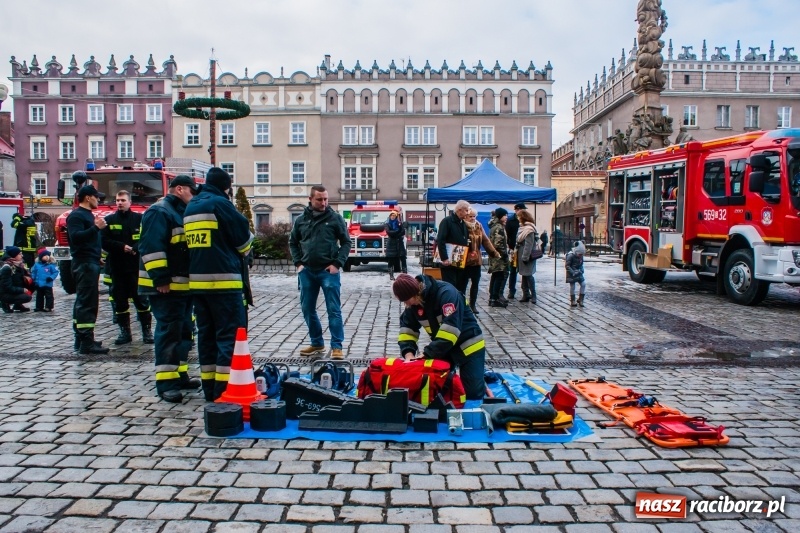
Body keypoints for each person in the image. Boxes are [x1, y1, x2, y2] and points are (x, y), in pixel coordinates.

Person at [185, 167, 254, 401]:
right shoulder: (221, 204)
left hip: (198, 285)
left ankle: (209, 387)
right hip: (224, 284)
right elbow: (243, 241)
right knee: (228, 337)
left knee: (206, 337)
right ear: (227, 187)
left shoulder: (192, 205)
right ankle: (224, 390)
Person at [139, 175, 201, 403]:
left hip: (181, 285)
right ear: (180, 189)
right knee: (168, 332)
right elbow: (151, 247)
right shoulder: (160, 212)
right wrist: (161, 278)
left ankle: (179, 374)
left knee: (184, 331)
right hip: (164, 286)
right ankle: (166, 383)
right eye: (192, 191)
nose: (194, 196)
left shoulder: (178, 212)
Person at [392, 273, 486, 401]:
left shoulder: (447, 294)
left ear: (416, 292)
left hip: (469, 346)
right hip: (444, 349)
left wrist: (427, 354)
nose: (407, 305)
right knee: (438, 392)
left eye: (407, 300)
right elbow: (407, 330)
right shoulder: (412, 303)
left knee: (472, 394)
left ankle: (479, 379)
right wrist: (409, 354)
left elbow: (450, 332)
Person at [289, 185, 351, 359]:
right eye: (319, 199)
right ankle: (317, 343)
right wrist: (298, 264)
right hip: (307, 271)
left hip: (328, 271)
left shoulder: (335, 218)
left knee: (333, 309)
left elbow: (346, 242)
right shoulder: (301, 220)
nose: (323, 203)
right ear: (310, 199)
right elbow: (293, 242)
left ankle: (337, 346)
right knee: (308, 309)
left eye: (325, 199)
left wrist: (337, 264)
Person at [102, 190, 153, 345]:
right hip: (117, 268)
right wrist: (121, 247)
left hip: (136, 267)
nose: (119, 203)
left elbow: (147, 238)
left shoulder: (139, 219)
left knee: (141, 301)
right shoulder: (109, 220)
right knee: (120, 302)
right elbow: (103, 241)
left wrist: (134, 248)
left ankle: (147, 331)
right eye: (117, 200)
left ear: (130, 202)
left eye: (123, 200)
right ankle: (125, 332)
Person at [67, 185, 109, 354]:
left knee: (85, 301)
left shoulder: (87, 215)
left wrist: (95, 255)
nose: (98, 200)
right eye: (96, 197)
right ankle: (85, 342)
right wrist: (95, 228)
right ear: (88, 198)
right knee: (87, 303)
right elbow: (76, 238)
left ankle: (84, 339)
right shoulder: (77, 216)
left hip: (89, 261)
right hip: (83, 264)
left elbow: (87, 241)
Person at [464, 208, 499, 315]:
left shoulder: (478, 226)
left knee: (475, 284)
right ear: (465, 216)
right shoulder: (462, 226)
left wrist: (494, 253)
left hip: (476, 260)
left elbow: (485, 240)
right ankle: (462, 305)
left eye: (474, 216)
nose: (473, 218)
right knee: (463, 284)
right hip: (465, 260)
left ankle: (472, 304)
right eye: (470, 216)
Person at [436, 200, 471, 294]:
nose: (468, 213)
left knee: (460, 286)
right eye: (466, 210)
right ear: (460, 210)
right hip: (448, 262)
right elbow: (441, 240)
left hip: (459, 260)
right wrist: (444, 258)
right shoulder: (447, 221)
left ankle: (459, 305)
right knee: (450, 286)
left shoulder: (462, 223)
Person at [487, 208, 510, 308]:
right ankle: (494, 298)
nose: (506, 217)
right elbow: (498, 244)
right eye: (505, 215)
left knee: (495, 276)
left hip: (495, 256)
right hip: (499, 257)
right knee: (499, 276)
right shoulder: (498, 227)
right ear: (500, 216)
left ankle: (493, 298)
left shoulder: (495, 226)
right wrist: (505, 254)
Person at [515, 209, 539, 304]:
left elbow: (529, 244)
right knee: (524, 275)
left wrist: (525, 257)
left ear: (523, 217)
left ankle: (533, 295)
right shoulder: (522, 228)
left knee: (528, 275)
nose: (518, 218)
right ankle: (526, 294)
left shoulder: (529, 229)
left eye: (519, 216)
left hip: (527, 256)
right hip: (522, 254)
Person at [0, 246, 33, 313]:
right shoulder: (7, 268)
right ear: (14, 255)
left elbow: (20, 279)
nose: (22, 255)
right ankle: (5, 302)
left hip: (15, 288)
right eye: (19, 254)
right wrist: (22, 290)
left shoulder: (19, 265)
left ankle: (18, 305)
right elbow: (6, 287)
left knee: (35, 284)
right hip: (6, 293)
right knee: (26, 297)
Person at [505, 203, 526, 300]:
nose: (523, 211)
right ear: (517, 210)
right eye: (522, 210)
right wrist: (509, 247)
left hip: (524, 249)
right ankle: (511, 291)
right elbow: (507, 235)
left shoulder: (526, 221)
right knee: (513, 271)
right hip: (513, 249)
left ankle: (526, 292)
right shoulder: (510, 221)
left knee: (525, 272)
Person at [566, 240, 587, 308]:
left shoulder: (581, 256)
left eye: (582, 254)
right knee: (573, 287)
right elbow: (567, 266)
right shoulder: (570, 255)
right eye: (580, 254)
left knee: (583, 284)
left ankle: (581, 299)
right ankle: (573, 300)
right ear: (576, 251)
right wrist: (573, 272)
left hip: (578, 272)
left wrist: (581, 270)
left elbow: (581, 265)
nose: (580, 256)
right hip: (572, 274)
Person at [385, 210, 405, 281]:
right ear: (390, 216)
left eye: (394, 216)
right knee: (391, 260)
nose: (393, 217)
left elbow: (403, 232)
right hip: (391, 244)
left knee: (403, 258)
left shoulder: (399, 223)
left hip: (399, 243)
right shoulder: (387, 224)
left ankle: (405, 275)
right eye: (391, 215)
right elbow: (389, 232)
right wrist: (397, 232)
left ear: (396, 216)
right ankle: (391, 275)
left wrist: (396, 233)